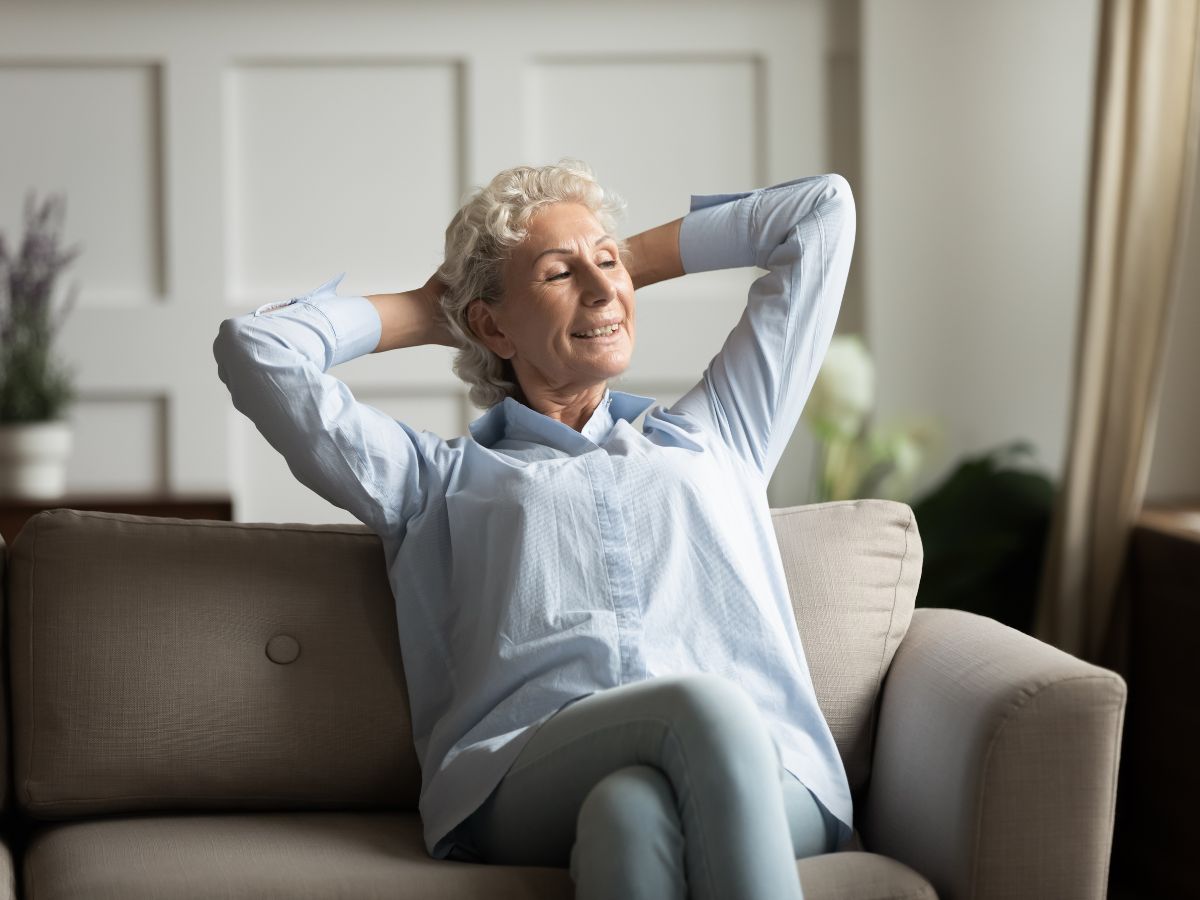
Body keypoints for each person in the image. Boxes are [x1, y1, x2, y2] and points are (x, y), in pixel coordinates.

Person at [213, 158, 856, 899]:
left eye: (606, 262)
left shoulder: (720, 433)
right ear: (492, 324)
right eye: (558, 275)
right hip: (524, 770)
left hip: (769, 775)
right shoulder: (433, 482)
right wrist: (432, 310)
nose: (602, 285)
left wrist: (621, 267)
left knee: (628, 812)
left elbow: (821, 211)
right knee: (701, 706)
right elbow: (256, 349)